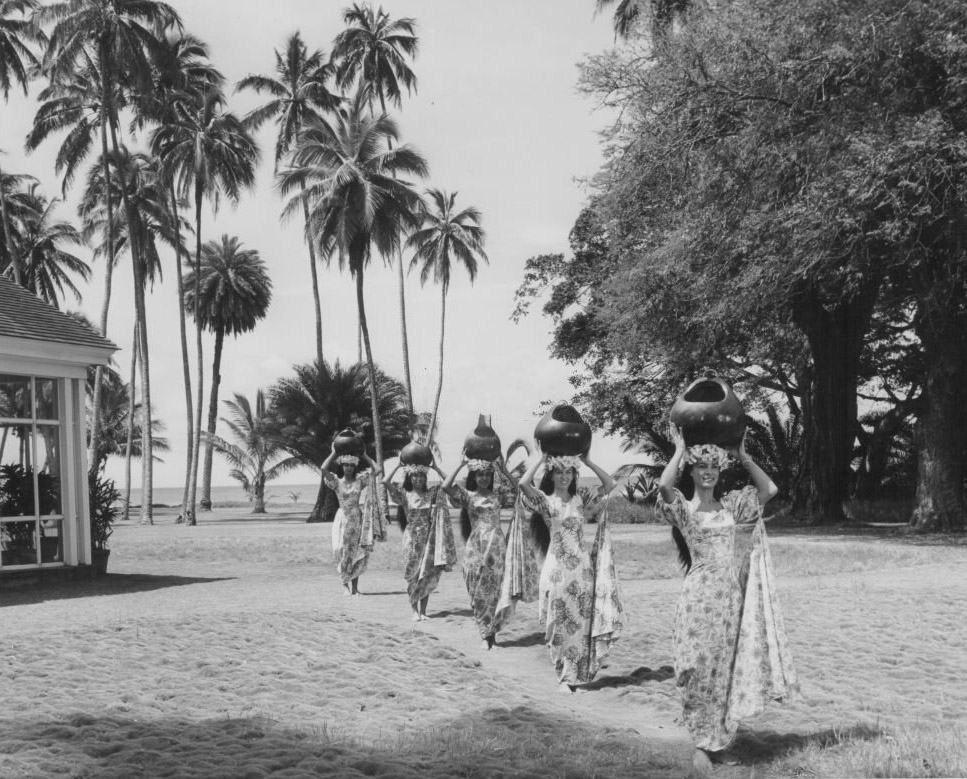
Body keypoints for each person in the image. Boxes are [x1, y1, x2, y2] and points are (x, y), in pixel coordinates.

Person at [658, 425, 799, 774]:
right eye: (701, 465)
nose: (708, 472)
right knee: (695, 670)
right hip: (697, 599)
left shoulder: (733, 506)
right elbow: (663, 486)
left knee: (723, 674)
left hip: (730, 600)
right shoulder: (684, 510)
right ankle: (700, 743)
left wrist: (744, 456)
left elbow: (770, 489)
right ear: (691, 470)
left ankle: (716, 743)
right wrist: (678, 448)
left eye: (714, 466)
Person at [518, 448, 624, 693]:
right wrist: (543, 459)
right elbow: (524, 483)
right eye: (559, 472)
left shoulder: (580, 499)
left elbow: (610, 483)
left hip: (582, 570)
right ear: (551, 475)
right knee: (558, 622)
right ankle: (563, 676)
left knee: (580, 623)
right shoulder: (545, 501)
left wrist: (586, 460)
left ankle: (576, 675)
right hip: (556, 570)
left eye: (569, 472)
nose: (565, 477)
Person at [442, 453, 516, 650]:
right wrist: (460, 464)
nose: (484, 478)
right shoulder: (467, 496)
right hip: (476, 547)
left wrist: (505, 471)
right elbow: (445, 487)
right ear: (473, 477)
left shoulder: (497, 495)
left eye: (487, 475)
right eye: (479, 475)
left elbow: (519, 490)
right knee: (478, 591)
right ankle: (484, 633)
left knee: (496, 591)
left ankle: (491, 635)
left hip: (497, 547)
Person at [384, 459, 456, 621]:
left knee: (426, 574)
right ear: (409, 477)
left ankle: (423, 611)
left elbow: (448, 482)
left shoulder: (431, 494)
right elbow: (385, 481)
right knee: (412, 574)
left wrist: (436, 467)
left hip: (429, 538)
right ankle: (414, 611)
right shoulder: (404, 494)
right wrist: (398, 466)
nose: (418, 479)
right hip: (411, 538)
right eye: (414, 476)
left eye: (422, 476)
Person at [320, 443, 381, 596]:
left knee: (356, 553)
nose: (348, 468)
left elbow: (378, 470)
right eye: (345, 465)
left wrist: (365, 455)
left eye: (351, 465)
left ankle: (355, 588)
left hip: (356, 518)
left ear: (355, 467)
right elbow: (323, 469)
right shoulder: (336, 482)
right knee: (342, 550)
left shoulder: (360, 481)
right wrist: (334, 453)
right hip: (342, 518)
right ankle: (345, 586)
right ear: (342, 466)